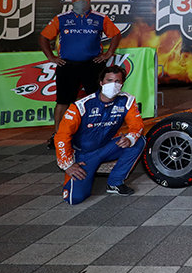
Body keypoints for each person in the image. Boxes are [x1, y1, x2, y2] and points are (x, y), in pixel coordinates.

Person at [54, 65, 145, 205]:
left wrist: (130, 138)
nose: (113, 85)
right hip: (83, 155)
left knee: (138, 141)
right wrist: (68, 164)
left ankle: (115, 183)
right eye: (109, 80)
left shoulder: (127, 100)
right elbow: (61, 136)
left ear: (122, 84)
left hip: (108, 147)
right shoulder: (81, 106)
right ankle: (87, 171)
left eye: (118, 81)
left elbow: (137, 125)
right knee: (74, 199)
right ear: (101, 83)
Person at [39, 0, 121, 135]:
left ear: (89, 0)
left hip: (93, 65)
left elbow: (116, 34)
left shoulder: (100, 18)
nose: (81, 1)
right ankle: (57, 134)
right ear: (72, 1)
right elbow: (43, 37)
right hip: (67, 65)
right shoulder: (61, 18)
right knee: (63, 101)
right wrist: (51, 57)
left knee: (99, 98)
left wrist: (109, 53)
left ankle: (100, 131)